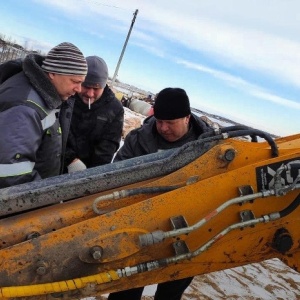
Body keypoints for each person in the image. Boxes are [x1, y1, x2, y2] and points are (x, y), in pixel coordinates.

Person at [109, 87, 214, 300]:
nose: (163, 128)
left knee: (170, 292)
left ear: (186, 118)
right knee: (126, 288)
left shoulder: (210, 146)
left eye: (170, 123)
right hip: (140, 226)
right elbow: (114, 177)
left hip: (188, 229)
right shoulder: (138, 139)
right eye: (159, 121)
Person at [0, 42, 87, 188]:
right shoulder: (26, 108)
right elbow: (10, 176)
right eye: (75, 81)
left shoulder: (46, 95)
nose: (79, 89)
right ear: (53, 73)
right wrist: (46, 197)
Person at [64, 56, 124, 173]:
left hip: (87, 172)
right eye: (86, 86)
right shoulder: (67, 96)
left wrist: (91, 176)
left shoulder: (115, 109)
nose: (90, 94)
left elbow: (107, 150)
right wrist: (70, 159)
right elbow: (52, 133)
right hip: (55, 162)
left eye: (96, 88)